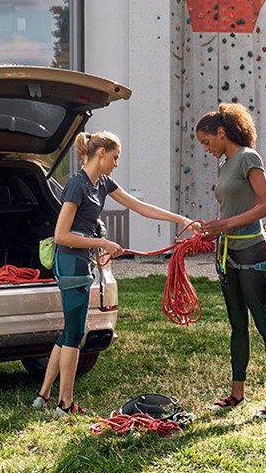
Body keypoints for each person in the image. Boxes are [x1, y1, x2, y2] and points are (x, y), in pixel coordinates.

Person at [32, 131, 196, 416]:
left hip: (82, 262)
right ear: (101, 153)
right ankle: (65, 404)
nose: (116, 163)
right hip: (70, 261)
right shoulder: (77, 185)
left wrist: (181, 219)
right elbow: (61, 235)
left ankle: (42, 396)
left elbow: (140, 207)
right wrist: (103, 243)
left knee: (70, 330)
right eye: (115, 157)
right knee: (75, 334)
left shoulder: (102, 183)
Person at [194, 103, 266, 420]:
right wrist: (212, 230)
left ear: (222, 132)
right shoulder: (225, 163)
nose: (206, 149)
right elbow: (230, 209)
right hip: (227, 252)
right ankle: (236, 394)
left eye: (207, 141)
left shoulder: (248, 157)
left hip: (251, 250)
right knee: (237, 326)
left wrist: (226, 224)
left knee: (264, 324)